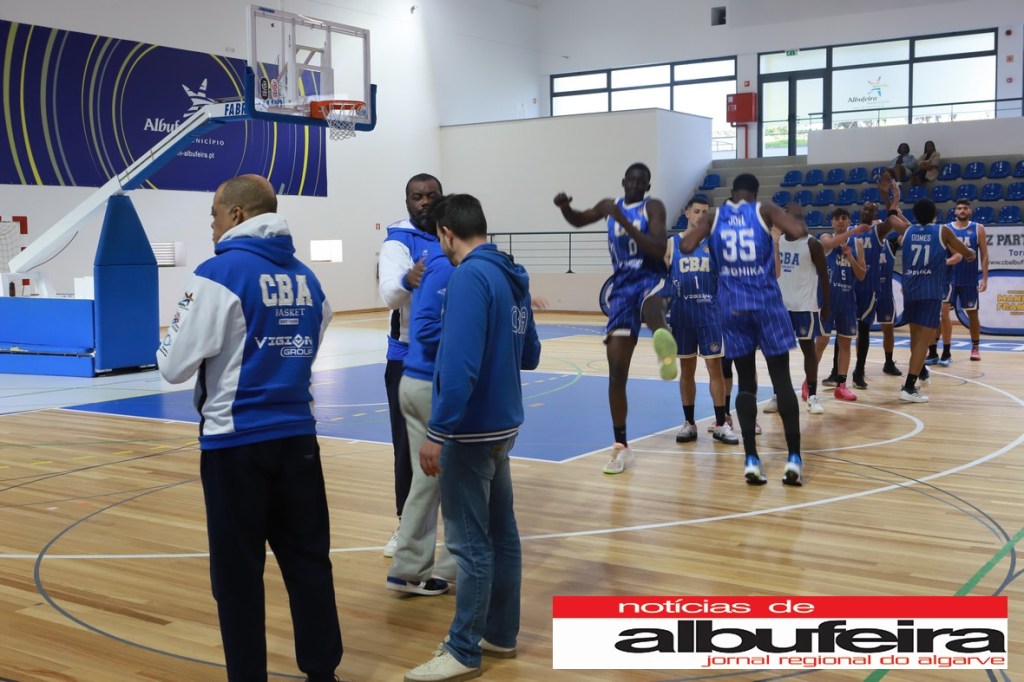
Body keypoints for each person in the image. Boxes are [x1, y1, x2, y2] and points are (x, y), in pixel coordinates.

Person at [156, 175, 342, 681]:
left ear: (237, 214)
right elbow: (314, 334)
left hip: (235, 443)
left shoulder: (218, 274)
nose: (212, 225)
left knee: (237, 575)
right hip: (298, 439)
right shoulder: (308, 278)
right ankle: (322, 672)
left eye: (214, 214)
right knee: (309, 563)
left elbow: (172, 365)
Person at [406, 194, 541, 682]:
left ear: (447, 233)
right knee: (503, 536)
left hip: (469, 431)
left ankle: (463, 649)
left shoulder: (468, 277)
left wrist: (438, 432)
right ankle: (500, 634)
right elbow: (531, 355)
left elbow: (460, 364)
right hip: (503, 425)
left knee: (469, 545)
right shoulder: (512, 273)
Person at [679, 173, 809, 486]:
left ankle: (751, 459)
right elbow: (798, 231)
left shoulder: (714, 216)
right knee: (781, 380)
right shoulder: (764, 210)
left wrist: (708, 233)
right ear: (754, 193)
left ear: (733, 193)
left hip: (732, 307)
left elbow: (685, 245)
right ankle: (793, 459)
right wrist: (793, 214)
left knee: (746, 383)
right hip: (766, 305)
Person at [554, 163, 677, 475]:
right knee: (617, 372)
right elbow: (579, 220)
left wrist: (621, 219)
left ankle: (664, 345)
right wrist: (565, 207)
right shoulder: (609, 205)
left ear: (647, 187)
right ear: (623, 182)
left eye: (641, 181)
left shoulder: (653, 207)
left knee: (652, 310)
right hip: (622, 287)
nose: (635, 184)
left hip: (651, 277)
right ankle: (621, 446)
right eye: (631, 180)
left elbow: (658, 247)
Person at [386, 195, 458, 598]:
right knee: (455, 474)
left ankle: (411, 568)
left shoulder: (441, 263)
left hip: (417, 379)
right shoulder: (442, 265)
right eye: (418, 196)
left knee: (429, 476)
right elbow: (426, 327)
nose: (424, 202)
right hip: (429, 381)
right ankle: (451, 564)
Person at [378, 173, 444, 556]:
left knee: (457, 446)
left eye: (431, 195)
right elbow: (389, 295)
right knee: (406, 448)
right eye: (418, 196)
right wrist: (408, 278)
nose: (425, 202)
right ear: (407, 201)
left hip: (452, 358)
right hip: (407, 359)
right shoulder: (398, 242)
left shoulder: (453, 232)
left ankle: (459, 528)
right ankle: (406, 523)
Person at [875, 179, 976, 403]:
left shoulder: (908, 231)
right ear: (935, 215)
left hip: (910, 291)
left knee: (915, 337)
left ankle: (919, 372)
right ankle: (909, 386)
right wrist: (970, 254)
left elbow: (891, 216)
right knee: (923, 340)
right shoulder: (943, 231)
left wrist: (894, 197)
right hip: (930, 292)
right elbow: (964, 251)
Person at [663, 197, 738, 445]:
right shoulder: (672, 244)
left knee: (715, 369)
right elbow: (658, 278)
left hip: (710, 317)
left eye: (705, 212)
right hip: (682, 316)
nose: (701, 216)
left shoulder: (715, 244)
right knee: (687, 371)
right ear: (687, 213)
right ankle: (689, 422)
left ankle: (721, 423)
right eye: (696, 211)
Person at [772, 210, 831, 415]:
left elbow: (824, 276)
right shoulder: (777, 242)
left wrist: (826, 305)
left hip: (805, 306)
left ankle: (812, 396)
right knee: (779, 352)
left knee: (808, 349)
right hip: (781, 306)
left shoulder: (812, 243)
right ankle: (779, 394)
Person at [815, 208, 867, 402]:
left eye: (844, 218)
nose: (840, 221)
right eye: (836, 218)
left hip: (847, 300)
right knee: (821, 342)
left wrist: (850, 257)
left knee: (845, 343)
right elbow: (829, 244)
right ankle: (808, 382)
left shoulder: (858, 244)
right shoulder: (825, 238)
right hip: (826, 300)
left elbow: (861, 275)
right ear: (832, 222)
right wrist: (853, 231)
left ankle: (842, 386)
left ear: (849, 220)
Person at [935, 199, 990, 363]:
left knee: (972, 314)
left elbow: (984, 255)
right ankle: (936, 349)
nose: (962, 211)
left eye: (965, 208)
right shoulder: (946, 228)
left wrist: (984, 278)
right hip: (948, 279)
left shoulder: (978, 228)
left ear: (970, 211)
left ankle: (975, 347)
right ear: (955, 211)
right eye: (959, 208)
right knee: (942, 314)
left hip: (969, 279)